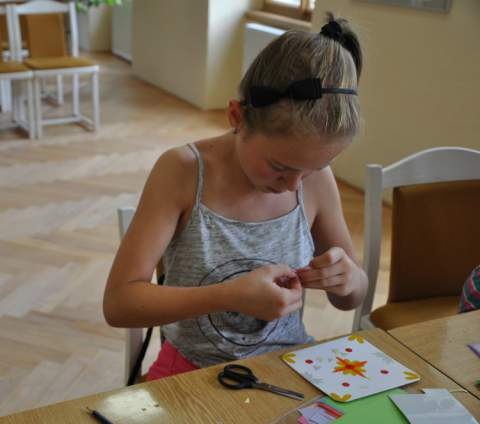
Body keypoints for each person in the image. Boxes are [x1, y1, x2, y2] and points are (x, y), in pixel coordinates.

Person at [103, 14, 369, 381]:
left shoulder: (317, 183)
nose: (293, 185)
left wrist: (349, 279)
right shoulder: (183, 172)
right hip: (190, 370)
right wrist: (229, 295)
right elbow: (119, 304)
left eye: (312, 169)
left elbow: (350, 298)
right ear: (237, 116)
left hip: (288, 366)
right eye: (279, 167)